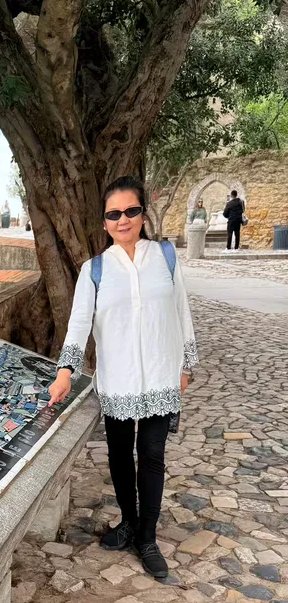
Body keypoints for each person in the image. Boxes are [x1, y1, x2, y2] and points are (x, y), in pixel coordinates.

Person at [47, 175, 198, 579]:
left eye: (131, 211)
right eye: (114, 214)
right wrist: (65, 372)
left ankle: (147, 538)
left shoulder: (165, 257)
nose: (123, 220)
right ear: (104, 223)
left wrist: (186, 365)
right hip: (118, 379)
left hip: (161, 376)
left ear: (143, 215)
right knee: (119, 454)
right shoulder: (94, 270)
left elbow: (181, 312)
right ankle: (129, 522)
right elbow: (79, 324)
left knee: (151, 454)